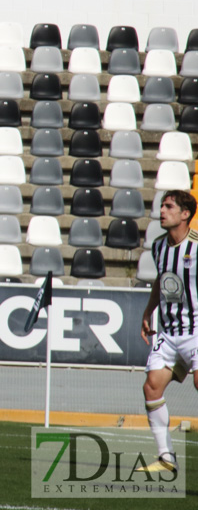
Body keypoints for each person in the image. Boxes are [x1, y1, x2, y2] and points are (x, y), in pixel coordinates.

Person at [136, 190, 198, 473]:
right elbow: (161, 282)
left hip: (196, 330)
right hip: (169, 331)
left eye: (169, 206)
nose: (162, 210)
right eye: (161, 205)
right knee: (152, 387)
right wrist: (148, 311)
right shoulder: (159, 246)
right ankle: (166, 458)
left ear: (185, 214)